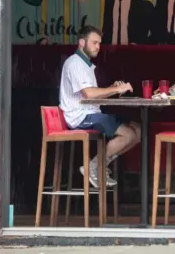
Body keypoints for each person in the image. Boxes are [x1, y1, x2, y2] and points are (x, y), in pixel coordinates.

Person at [59, 25, 141, 187]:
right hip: (81, 117)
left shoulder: (86, 65)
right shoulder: (75, 63)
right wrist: (116, 89)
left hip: (91, 113)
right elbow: (89, 94)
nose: (98, 47)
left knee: (138, 130)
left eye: (99, 43)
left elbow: (93, 93)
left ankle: (99, 165)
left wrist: (112, 88)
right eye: (94, 43)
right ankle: (94, 167)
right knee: (129, 135)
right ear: (82, 42)